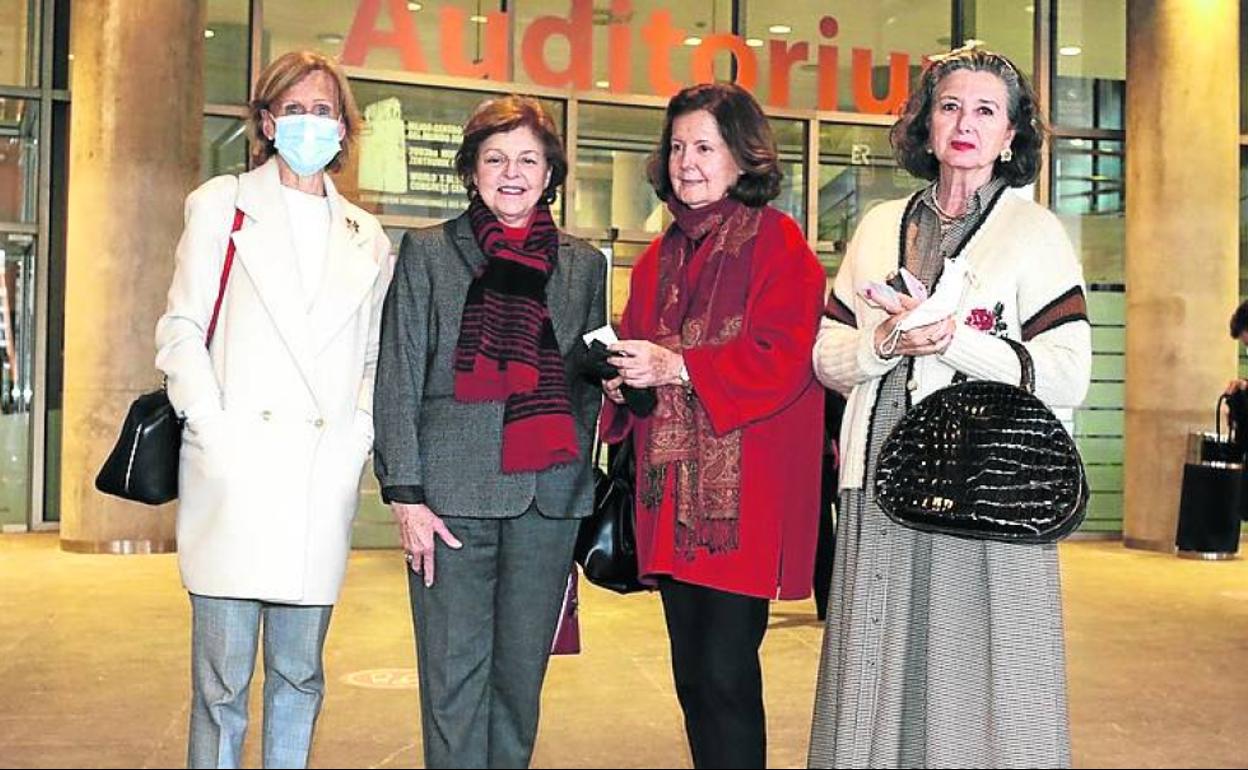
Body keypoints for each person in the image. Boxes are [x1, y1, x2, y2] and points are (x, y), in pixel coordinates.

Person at [808, 46, 1092, 769]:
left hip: (990, 483)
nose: (965, 123)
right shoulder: (876, 226)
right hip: (878, 479)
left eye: (986, 110)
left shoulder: (1036, 235)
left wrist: (951, 342)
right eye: (949, 106)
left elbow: (1068, 374)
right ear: (926, 126)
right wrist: (884, 341)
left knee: (978, 671)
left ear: (1011, 136)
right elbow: (825, 353)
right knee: (876, 660)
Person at [154, 51, 391, 769]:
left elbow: (375, 360)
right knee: (222, 685)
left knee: (300, 676)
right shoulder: (221, 204)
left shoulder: (368, 237)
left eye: (324, 112)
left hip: (318, 479)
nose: (309, 124)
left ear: (344, 130)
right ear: (266, 120)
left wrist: (355, 439)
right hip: (235, 473)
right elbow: (181, 328)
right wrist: (212, 427)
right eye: (294, 109)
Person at [371, 95, 606, 769]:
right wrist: (405, 495)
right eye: (495, 158)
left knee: (519, 680)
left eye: (528, 159)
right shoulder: (428, 252)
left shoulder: (583, 264)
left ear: (550, 174)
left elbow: (587, 377)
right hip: (451, 498)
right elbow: (399, 374)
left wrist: (579, 469)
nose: (512, 172)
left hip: (546, 500)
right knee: (453, 680)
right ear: (471, 170)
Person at [600, 82, 825, 769]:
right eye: (677, 147)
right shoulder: (659, 253)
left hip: (741, 504)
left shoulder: (779, 243)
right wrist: (619, 377)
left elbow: (782, 358)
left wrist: (674, 366)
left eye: (705, 147)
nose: (686, 162)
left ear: (743, 158)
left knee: (727, 677)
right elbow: (640, 348)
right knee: (693, 679)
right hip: (671, 501)